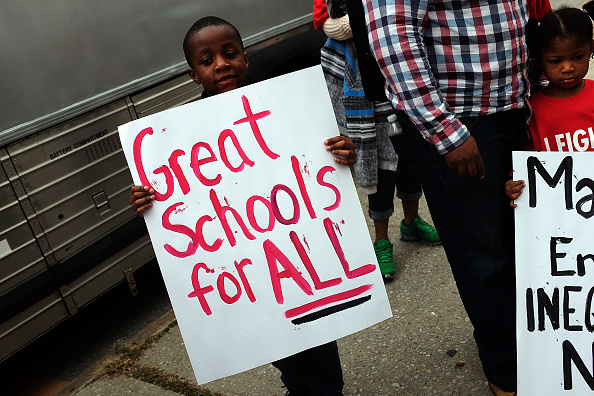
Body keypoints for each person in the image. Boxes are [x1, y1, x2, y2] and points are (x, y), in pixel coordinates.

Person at [129, 16, 354, 396]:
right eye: (207, 60)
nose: (221, 63)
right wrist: (146, 202)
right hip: (249, 276)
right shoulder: (178, 143)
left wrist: (341, 152)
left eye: (230, 54)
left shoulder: (286, 106)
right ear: (193, 75)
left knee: (321, 344)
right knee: (285, 356)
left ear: (245, 60)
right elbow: (175, 204)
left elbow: (321, 156)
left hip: (300, 264)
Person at [363, 1, 535, 394]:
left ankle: (537, 346)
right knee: (485, 255)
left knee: (526, 241)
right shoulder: (453, 130)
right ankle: (506, 372)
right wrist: (446, 132)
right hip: (463, 122)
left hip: (512, 107)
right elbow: (394, 38)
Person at [315, 0, 440, 281]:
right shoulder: (337, 43)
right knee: (380, 179)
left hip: (400, 99)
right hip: (369, 113)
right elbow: (326, 23)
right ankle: (381, 241)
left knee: (411, 167)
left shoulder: (390, 19)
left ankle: (411, 223)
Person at [506, 2, 594, 207]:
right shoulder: (532, 109)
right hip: (558, 213)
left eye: (577, 57)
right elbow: (526, 161)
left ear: (591, 49)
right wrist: (515, 185)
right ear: (539, 59)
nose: (567, 68)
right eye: (555, 61)